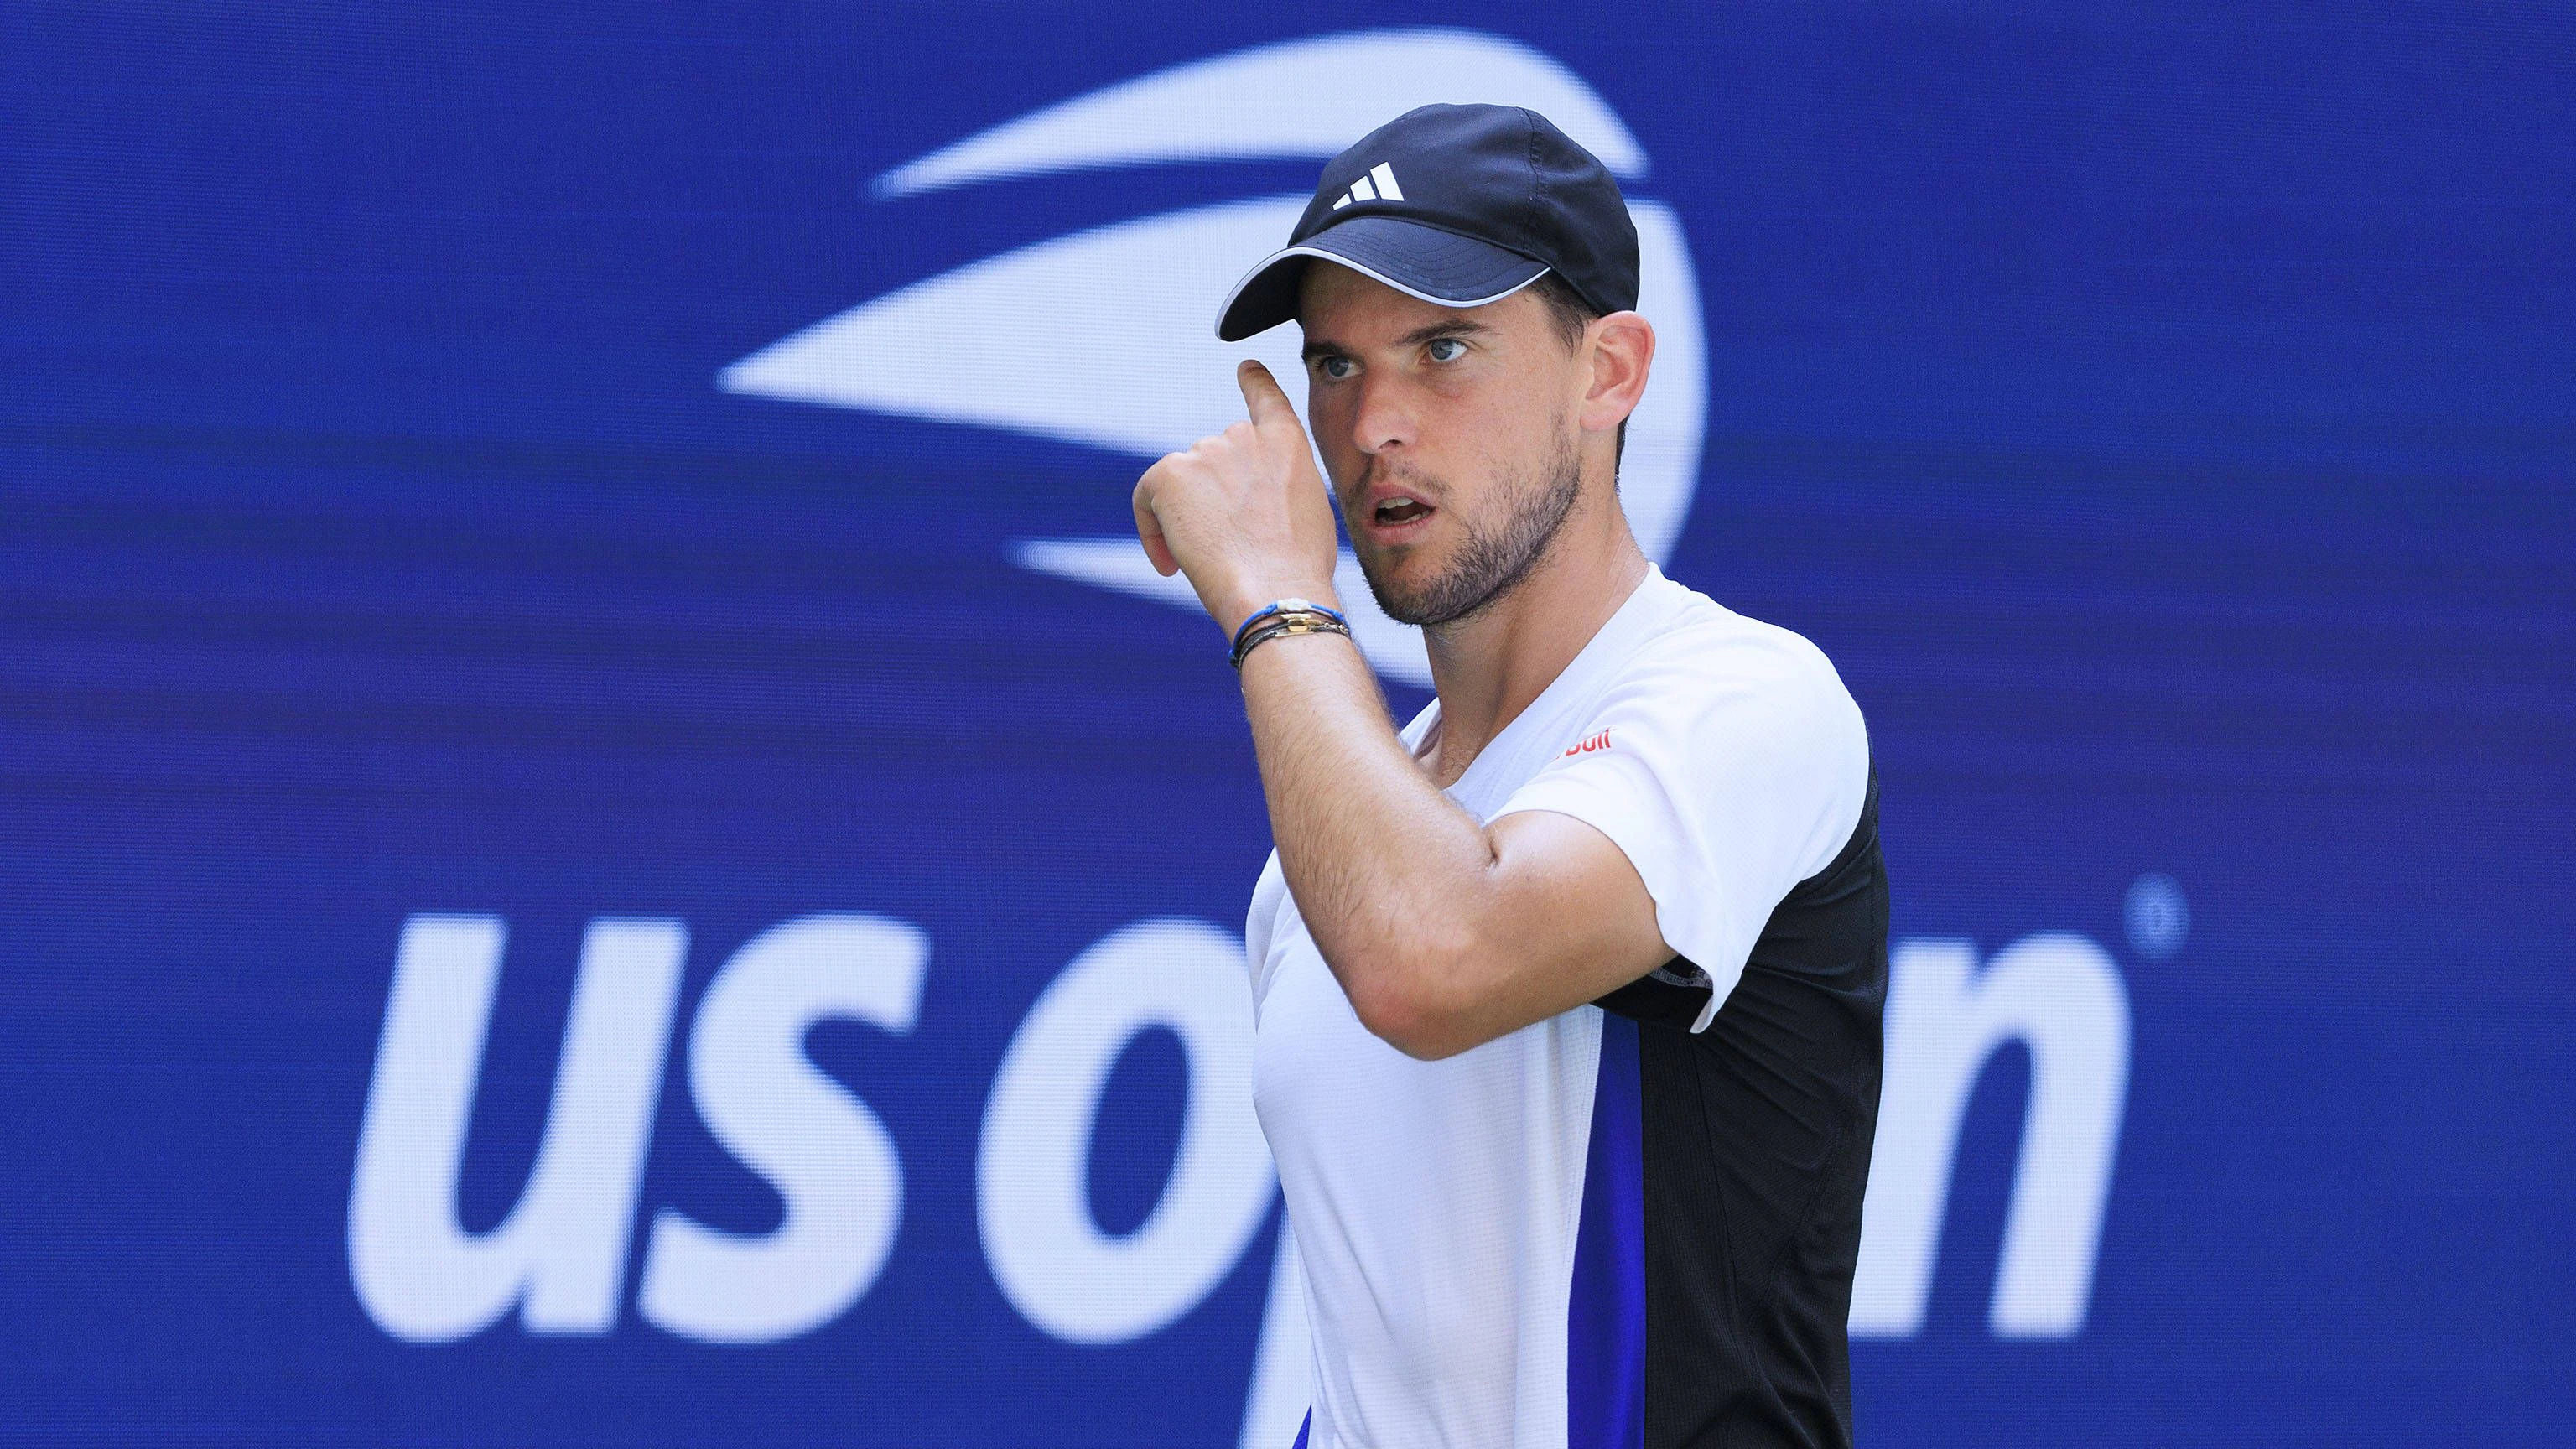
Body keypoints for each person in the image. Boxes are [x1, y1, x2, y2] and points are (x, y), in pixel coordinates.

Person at [1131, 102, 1887, 1449]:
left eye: (1444, 347)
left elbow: (1434, 958)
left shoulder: (1749, 699)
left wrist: (1276, 601)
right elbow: (1389, 1386)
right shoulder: (1324, 855)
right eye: (1336, 366)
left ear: (1611, 372)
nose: (1374, 427)